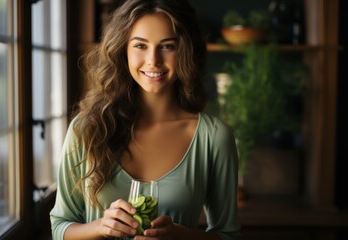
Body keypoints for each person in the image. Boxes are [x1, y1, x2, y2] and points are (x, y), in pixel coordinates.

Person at [50, 0, 241, 239]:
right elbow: (59, 227)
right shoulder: (86, 129)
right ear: (123, 49)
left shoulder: (214, 138)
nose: (153, 60)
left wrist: (183, 236)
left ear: (186, 50)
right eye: (140, 45)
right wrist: (100, 226)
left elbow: (229, 236)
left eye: (168, 46)